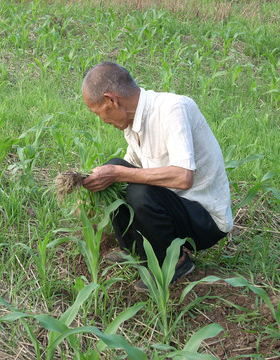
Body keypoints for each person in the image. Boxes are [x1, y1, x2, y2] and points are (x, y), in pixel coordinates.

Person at [81, 62, 233, 289]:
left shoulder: (172, 109)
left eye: (98, 112)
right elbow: (130, 166)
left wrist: (118, 173)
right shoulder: (132, 124)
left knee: (135, 188)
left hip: (204, 219)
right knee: (116, 169)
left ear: (112, 100)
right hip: (173, 206)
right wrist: (100, 179)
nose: (101, 120)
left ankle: (174, 263)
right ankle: (134, 250)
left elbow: (183, 177)